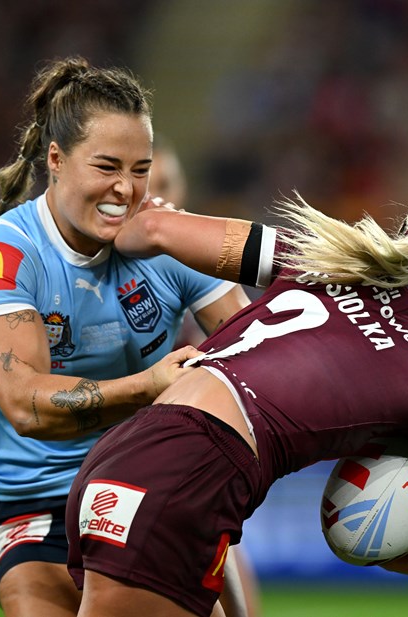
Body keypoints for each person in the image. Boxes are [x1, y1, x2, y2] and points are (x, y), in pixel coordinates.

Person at [65, 192, 408, 616]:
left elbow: (154, 229)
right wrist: (380, 549)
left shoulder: (322, 254)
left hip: (127, 451)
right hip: (190, 476)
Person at [0, 56, 250, 617]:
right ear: (56, 160)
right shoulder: (4, 257)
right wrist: (152, 386)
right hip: (36, 506)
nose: (126, 190)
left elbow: (252, 357)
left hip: (150, 489)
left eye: (140, 169)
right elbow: (26, 405)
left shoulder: (167, 243)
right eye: (107, 167)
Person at [149, 133, 263, 617]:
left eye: (166, 183)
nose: (156, 196)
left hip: (181, 463)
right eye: (146, 182)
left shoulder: (198, 267)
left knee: (234, 578)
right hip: (109, 459)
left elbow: (253, 345)